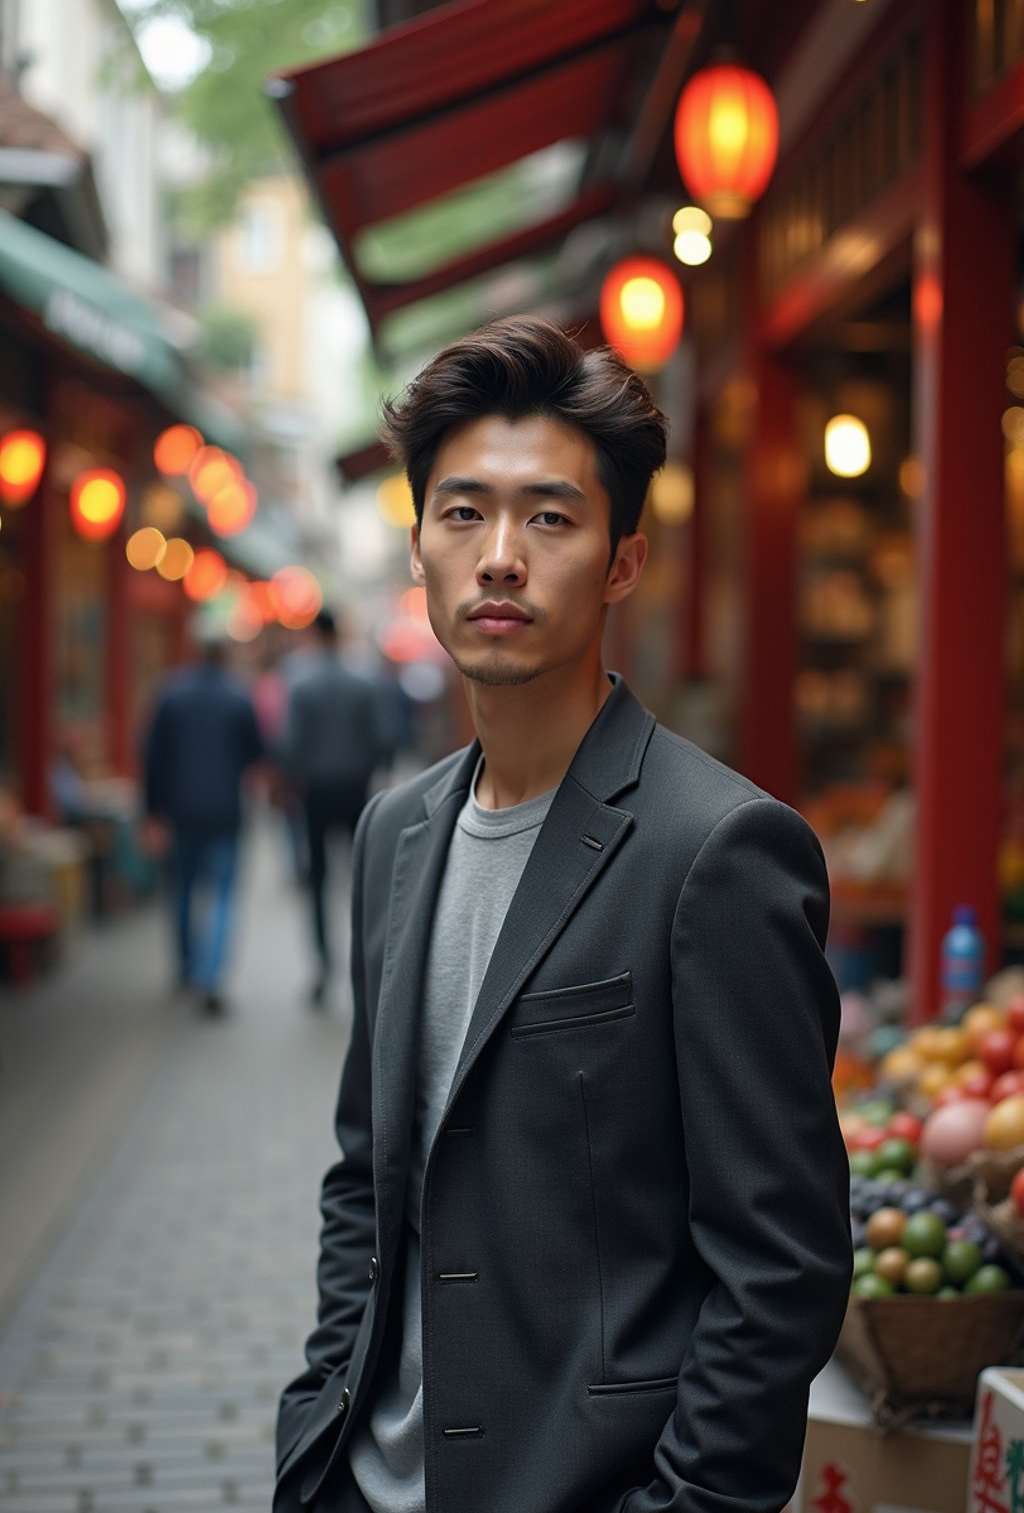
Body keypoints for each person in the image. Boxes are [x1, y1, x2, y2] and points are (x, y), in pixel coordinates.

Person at [275, 317, 852, 1513]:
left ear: (622, 560)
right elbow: (364, 1179)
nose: (499, 557)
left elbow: (781, 1264)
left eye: (549, 517)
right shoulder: (394, 836)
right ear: (421, 547)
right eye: (462, 513)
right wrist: (318, 1410)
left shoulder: (718, 851)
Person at [142, 639, 262, 1017]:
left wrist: (152, 811)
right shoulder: (238, 696)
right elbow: (256, 751)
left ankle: (186, 966)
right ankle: (211, 977)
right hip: (225, 808)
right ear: (223, 656)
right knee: (223, 894)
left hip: (179, 810)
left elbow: (151, 756)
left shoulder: (171, 694)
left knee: (181, 889)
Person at [284, 609, 388, 1003]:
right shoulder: (363, 682)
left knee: (318, 880)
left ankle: (322, 966)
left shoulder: (301, 683)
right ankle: (363, 965)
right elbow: (382, 737)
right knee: (361, 878)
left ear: (314, 634)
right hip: (355, 787)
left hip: (315, 791)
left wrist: (291, 780)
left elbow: (291, 744)